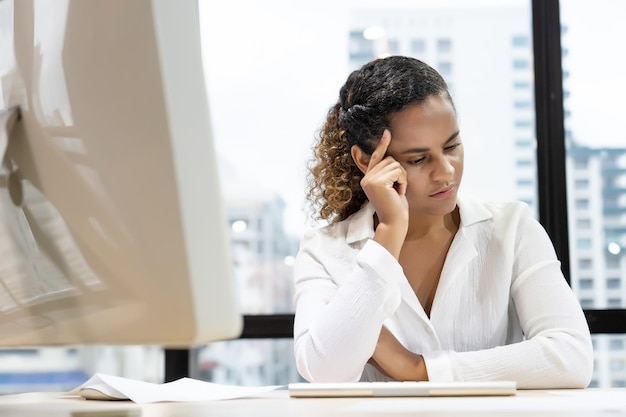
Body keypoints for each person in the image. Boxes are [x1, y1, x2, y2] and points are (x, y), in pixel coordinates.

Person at [292, 55, 593, 388]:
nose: (446, 171)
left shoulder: (511, 229)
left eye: (452, 146)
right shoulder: (324, 250)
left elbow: (572, 357)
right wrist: (389, 233)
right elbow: (324, 372)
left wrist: (420, 369)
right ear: (366, 161)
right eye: (419, 159)